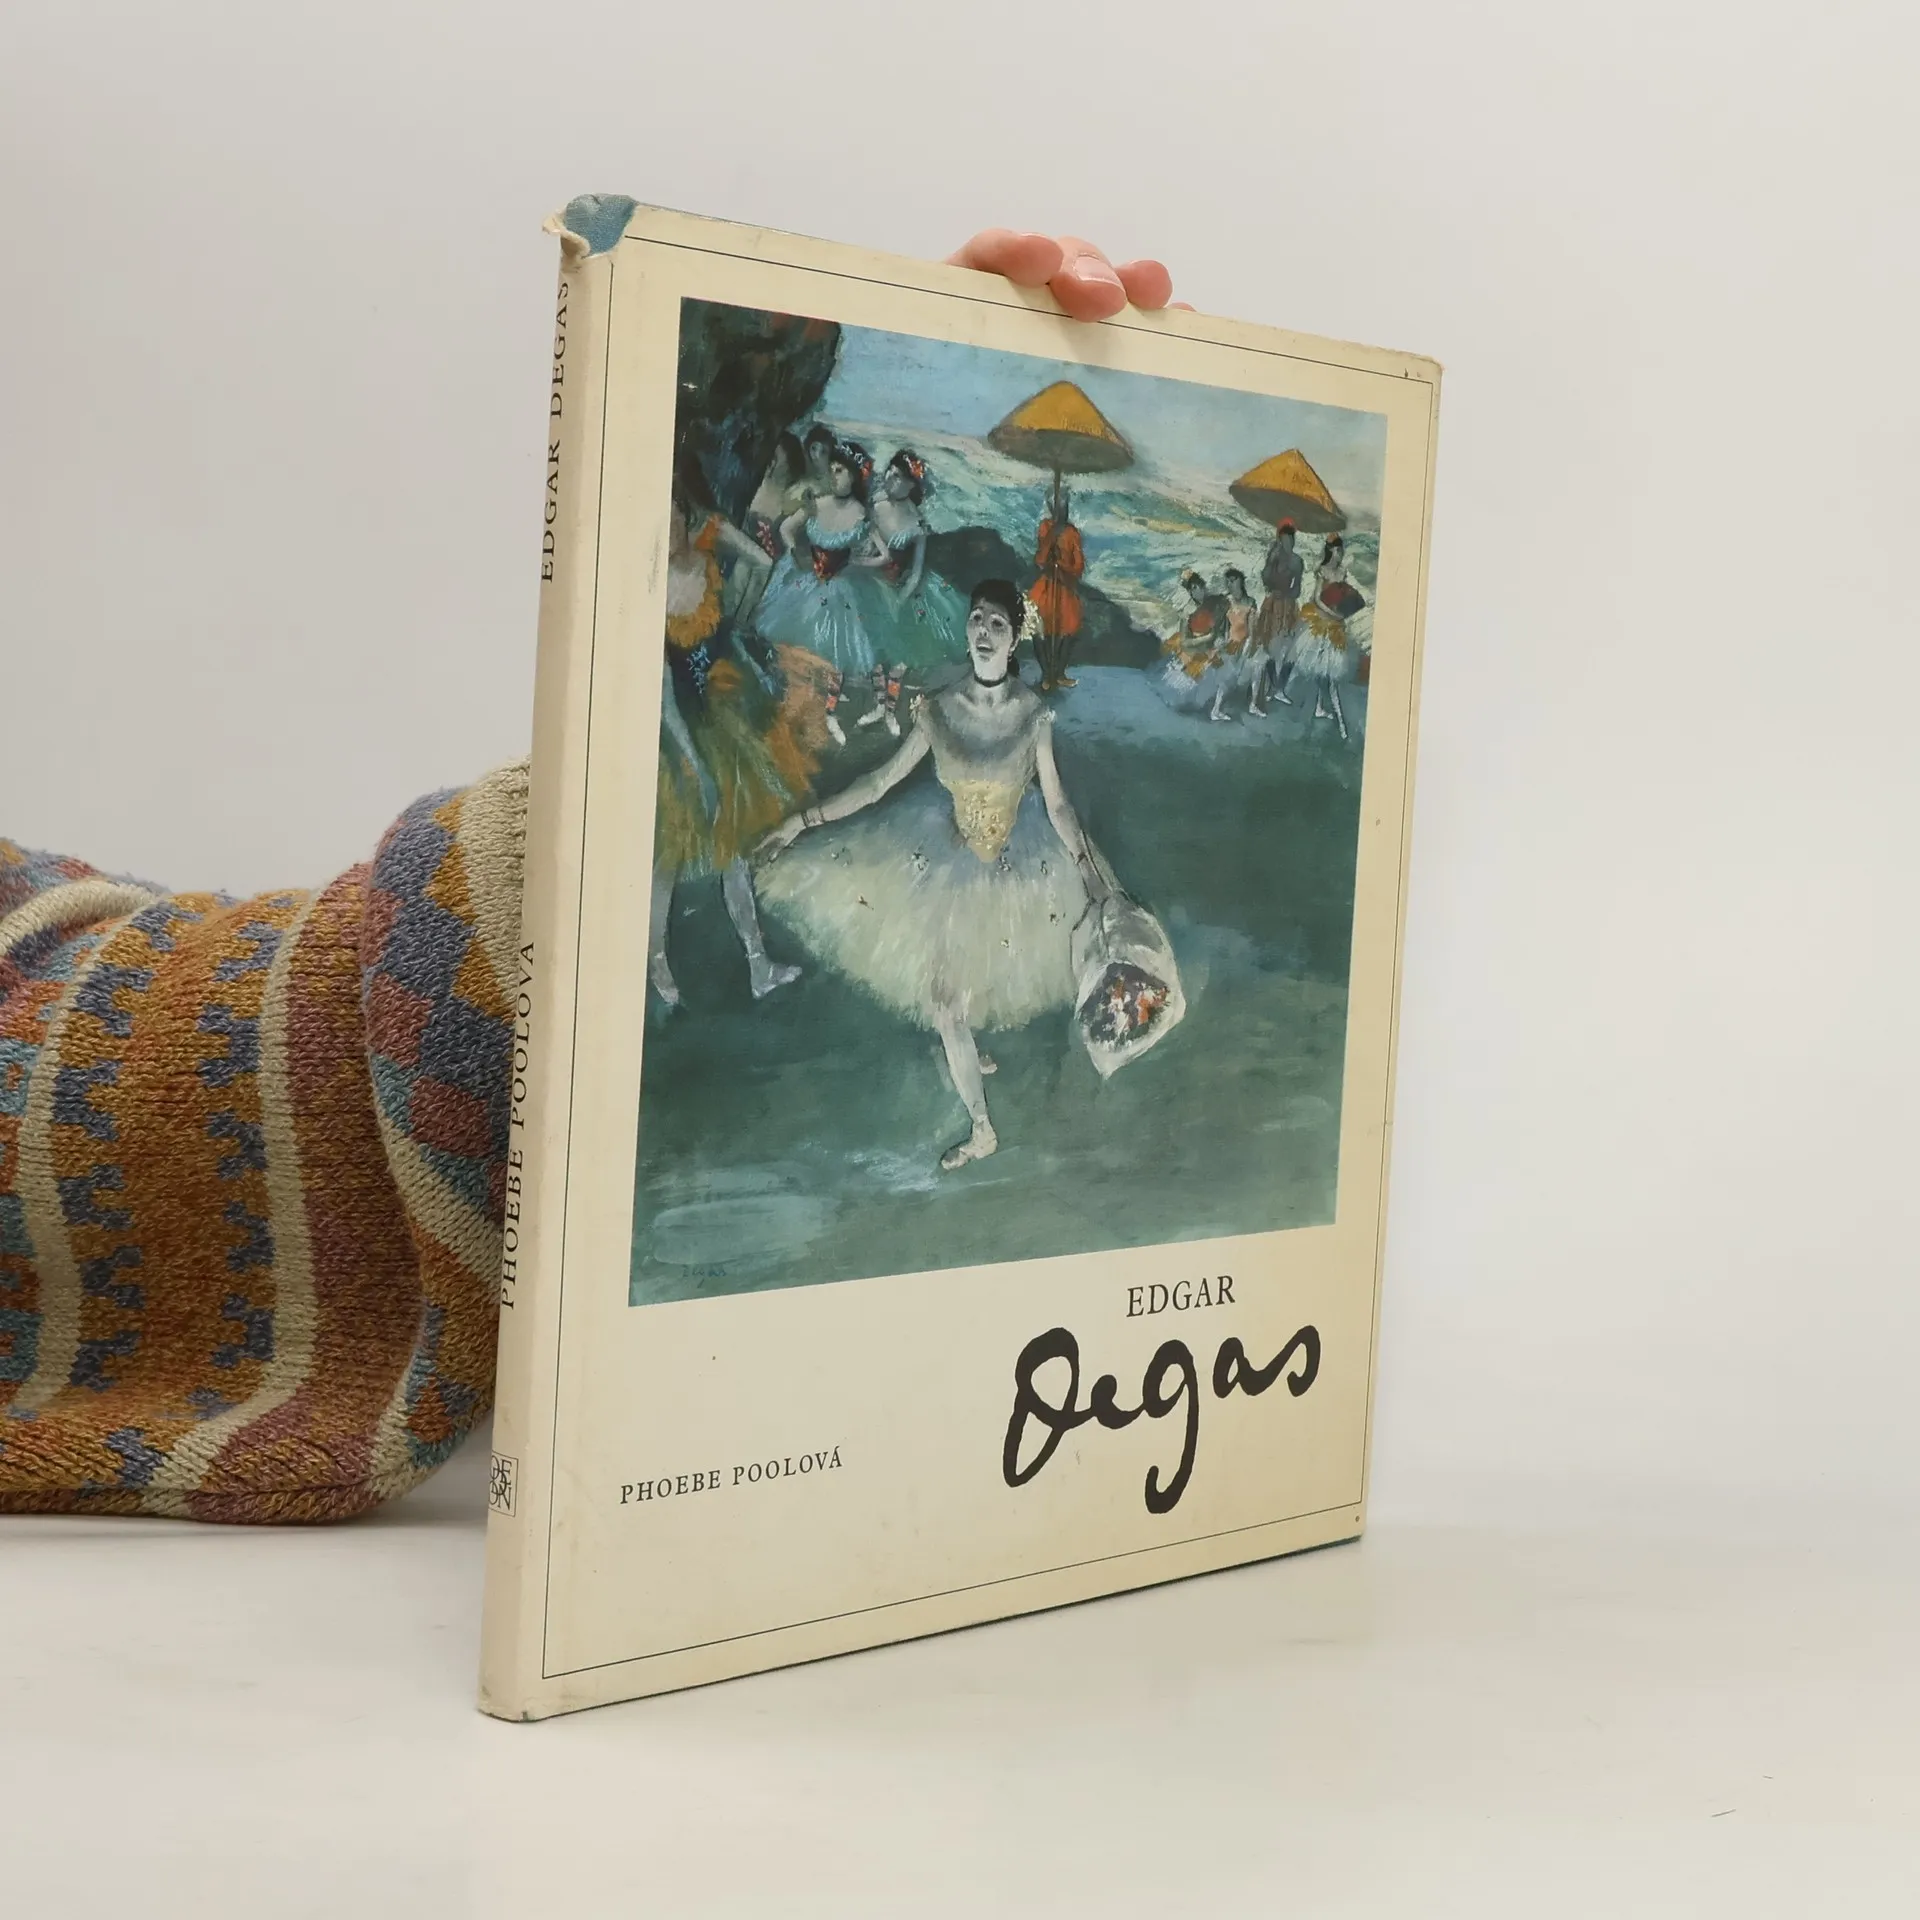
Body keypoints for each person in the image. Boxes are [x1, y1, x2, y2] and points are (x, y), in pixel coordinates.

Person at [1, 224, 1190, 1525]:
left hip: (914, 865)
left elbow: (76, 989)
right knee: (921, 980)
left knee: (923, 970)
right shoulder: (848, 631)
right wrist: (557, 886)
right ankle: (933, 1090)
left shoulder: (972, 671)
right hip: (770, 835)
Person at [753, 580, 1118, 1172]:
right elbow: (879, 784)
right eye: (977, 619)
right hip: (945, 862)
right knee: (947, 1004)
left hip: (1018, 863)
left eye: (997, 624)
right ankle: (982, 1127)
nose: (983, 632)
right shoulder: (939, 708)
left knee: (977, 980)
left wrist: (1089, 871)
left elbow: (1056, 806)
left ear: (1014, 638)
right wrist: (801, 822)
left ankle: (979, 1104)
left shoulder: (1033, 714)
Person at [649, 488, 836, 1007]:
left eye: (674, 521)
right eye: (658, 525)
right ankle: (657, 962)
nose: (667, 533)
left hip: (724, 715)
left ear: (687, 518)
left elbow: (758, 569)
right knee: (668, 857)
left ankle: (759, 963)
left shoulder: (706, 559)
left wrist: (722, 534)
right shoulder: (648, 591)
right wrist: (697, 769)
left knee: (733, 848)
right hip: (677, 731)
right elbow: (666, 702)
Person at [752, 438, 881, 684]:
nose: (833, 475)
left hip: (840, 585)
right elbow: (786, 528)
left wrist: (853, 563)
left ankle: (825, 688)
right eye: (831, 469)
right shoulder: (817, 504)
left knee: (832, 646)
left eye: (839, 470)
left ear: (854, 476)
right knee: (793, 637)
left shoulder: (861, 514)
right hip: (805, 578)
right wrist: (797, 553)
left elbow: (868, 551)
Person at [844, 448, 971, 670]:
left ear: (911, 485)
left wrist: (899, 601)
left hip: (898, 585)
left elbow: (916, 573)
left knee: (898, 639)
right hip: (866, 572)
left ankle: (890, 679)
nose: (888, 478)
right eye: (889, 472)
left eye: (896, 476)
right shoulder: (876, 503)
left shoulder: (916, 522)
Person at [1282, 536, 1367, 742]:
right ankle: (1334, 720)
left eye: (1341, 551)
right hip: (1320, 624)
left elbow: (1344, 596)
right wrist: (1332, 614)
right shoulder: (1323, 570)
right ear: (1330, 551)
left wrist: (1343, 613)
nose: (1340, 554)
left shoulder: (1342, 572)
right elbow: (1317, 598)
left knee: (1329, 676)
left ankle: (1333, 716)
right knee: (1321, 673)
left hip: (1334, 627)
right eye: (1337, 551)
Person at [1030, 480, 1086, 691]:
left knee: (1070, 627)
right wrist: (1051, 538)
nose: (1062, 508)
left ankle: (1060, 673)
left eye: (1064, 504)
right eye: (1058, 504)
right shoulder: (1045, 527)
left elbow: (1078, 566)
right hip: (1046, 587)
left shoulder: (1073, 533)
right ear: (1052, 506)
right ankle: (1047, 674)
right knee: (1040, 629)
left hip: (1064, 586)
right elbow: (1039, 560)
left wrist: (1062, 566)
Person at [1253, 521, 1303, 704]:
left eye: (1291, 540)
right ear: (1280, 541)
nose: (1289, 544)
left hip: (1288, 606)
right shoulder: (1273, 557)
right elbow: (1265, 580)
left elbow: (1297, 589)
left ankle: (1280, 686)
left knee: (1290, 648)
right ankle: (1274, 687)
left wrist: (1286, 594)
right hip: (1272, 605)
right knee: (1268, 646)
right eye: (1285, 540)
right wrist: (1270, 560)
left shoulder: (1297, 561)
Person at [745, 431, 807, 560]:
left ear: (790, 463)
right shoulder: (761, 480)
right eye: (772, 457)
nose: (771, 462)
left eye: (776, 458)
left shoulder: (796, 494)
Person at [1210, 567, 1260, 721]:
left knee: (1257, 668)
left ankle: (1253, 705)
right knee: (1225, 677)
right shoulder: (1226, 601)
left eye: (1233, 581)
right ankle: (1216, 710)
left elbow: (1252, 631)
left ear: (1241, 582)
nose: (1230, 584)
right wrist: (1220, 641)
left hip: (1246, 643)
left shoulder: (1250, 602)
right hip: (1230, 644)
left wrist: (1248, 648)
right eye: (1228, 581)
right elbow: (1218, 625)